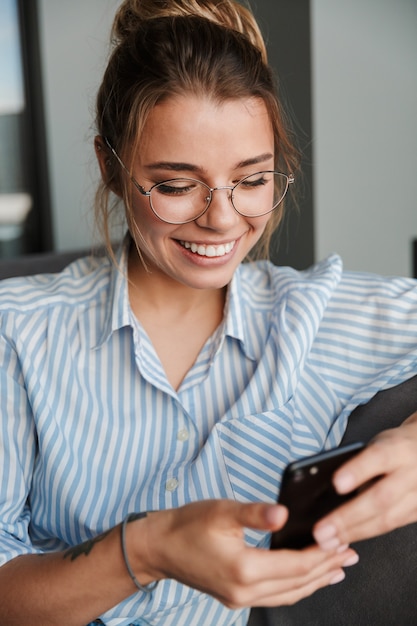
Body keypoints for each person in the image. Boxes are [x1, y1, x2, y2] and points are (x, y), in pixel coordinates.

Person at [0, 1, 416, 625]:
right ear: (110, 168)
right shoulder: (18, 331)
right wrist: (148, 549)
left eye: (252, 180)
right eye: (175, 184)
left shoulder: (313, 314)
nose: (222, 219)